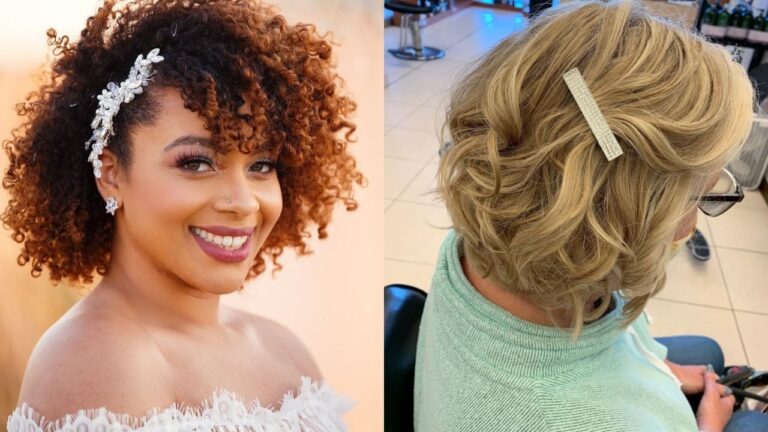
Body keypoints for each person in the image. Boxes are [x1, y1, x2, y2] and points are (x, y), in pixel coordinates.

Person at [2, 0, 363, 430]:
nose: (244, 202)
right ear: (111, 173)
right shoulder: (96, 362)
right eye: (196, 163)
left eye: (262, 165)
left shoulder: (281, 349)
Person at [414, 1, 765, 431]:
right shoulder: (600, 422)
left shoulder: (487, 231)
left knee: (705, 350)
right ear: (608, 227)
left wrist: (660, 368)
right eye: (699, 198)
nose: (691, 225)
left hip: (593, 361)